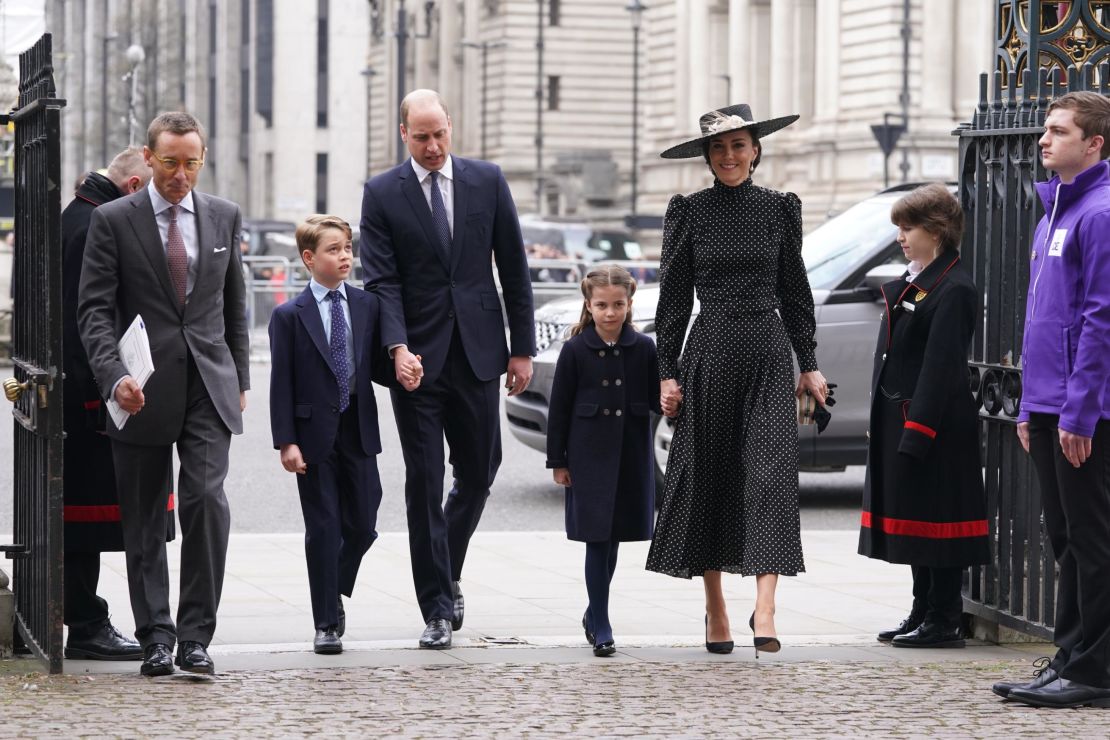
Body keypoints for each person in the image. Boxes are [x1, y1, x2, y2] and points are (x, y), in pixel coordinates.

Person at [645, 104, 828, 657]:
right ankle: (716, 606)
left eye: (739, 145)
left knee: (770, 475)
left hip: (769, 354)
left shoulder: (780, 209)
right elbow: (673, 300)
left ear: (755, 150)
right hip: (710, 352)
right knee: (711, 477)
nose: (729, 156)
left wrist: (810, 361)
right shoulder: (689, 212)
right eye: (719, 148)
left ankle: (766, 608)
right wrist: (667, 373)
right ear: (707, 157)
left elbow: (795, 290)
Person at [360, 89, 535, 649]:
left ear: (450, 129)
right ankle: (436, 606)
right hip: (416, 362)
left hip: (481, 351)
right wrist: (395, 348)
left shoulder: (487, 181)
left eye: (439, 134)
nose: (432, 146)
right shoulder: (382, 193)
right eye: (421, 137)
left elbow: (513, 267)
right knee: (423, 482)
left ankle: (446, 565)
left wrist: (522, 348)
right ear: (404, 134)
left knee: (480, 471)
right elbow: (382, 282)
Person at [77, 112, 250, 677]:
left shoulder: (224, 216)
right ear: (148, 159)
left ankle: (196, 636)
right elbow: (95, 312)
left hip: (208, 383)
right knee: (145, 518)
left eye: (192, 163)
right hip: (139, 390)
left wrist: (240, 379)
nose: (182, 174)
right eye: (171, 162)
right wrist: (112, 378)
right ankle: (156, 636)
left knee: (204, 501)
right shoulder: (113, 220)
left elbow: (234, 306)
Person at [993, 91, 1110, 710]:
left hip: (1082, 411)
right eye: (1044, 130)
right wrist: (1027, 407)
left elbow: (1100, 320)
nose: (1043, 140)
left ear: (1093, 144)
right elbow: (1041, 320)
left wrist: (1078, 410)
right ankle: (1070, 656)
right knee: (1063, 539)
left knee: (1093, 541)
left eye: (1058, 131)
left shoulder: (1100, 213)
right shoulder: (1051, 217)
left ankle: (1096, 670)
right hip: (1045, 406)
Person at [268, 215, 415, 655]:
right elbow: (282, 383)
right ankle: (326, 622)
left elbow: (375, 366)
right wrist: (286, 441)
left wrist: (404, 371)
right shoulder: (288, 316)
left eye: (348, 247)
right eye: (334, 249)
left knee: (364, 523)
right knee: (324, 526)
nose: (346, 256)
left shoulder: (366, 305)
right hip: (312, 436)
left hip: (357, 428)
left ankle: (334, 587)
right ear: (310, 258)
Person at [857, 184, 989, 649]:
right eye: (898, 227)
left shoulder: (953, 287)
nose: (900, 237)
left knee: (938, 522)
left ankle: (943, 617)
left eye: (907, 227)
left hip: (934, 425)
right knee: (916, 519)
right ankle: (921, 608)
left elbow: (940, 369)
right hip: (907, 416)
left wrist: (918, 430)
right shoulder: (920, 280)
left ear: (937, 230)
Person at [60, 148, 174, 661]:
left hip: (90, 389)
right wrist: (106, 388)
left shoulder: (80, 214)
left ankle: (86, 617)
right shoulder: (93, 224)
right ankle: (85, 623)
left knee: (85, 515)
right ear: (133, 185)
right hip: (94, 396)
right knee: (84, 519)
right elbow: (88, 318)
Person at [546, 266, 669, 657]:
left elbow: (654, 397)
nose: (610, 313)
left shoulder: (644, 348)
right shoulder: (575, 349)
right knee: (597, 540)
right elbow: (559, 409)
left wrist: (671, 399)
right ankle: (601, 621)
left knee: (612, 539)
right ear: (588, 304)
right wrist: (557, 460)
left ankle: (593, 610)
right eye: (602, 305)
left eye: (618, 305)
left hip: (631, 456)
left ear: (630, 304)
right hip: (588, 457)